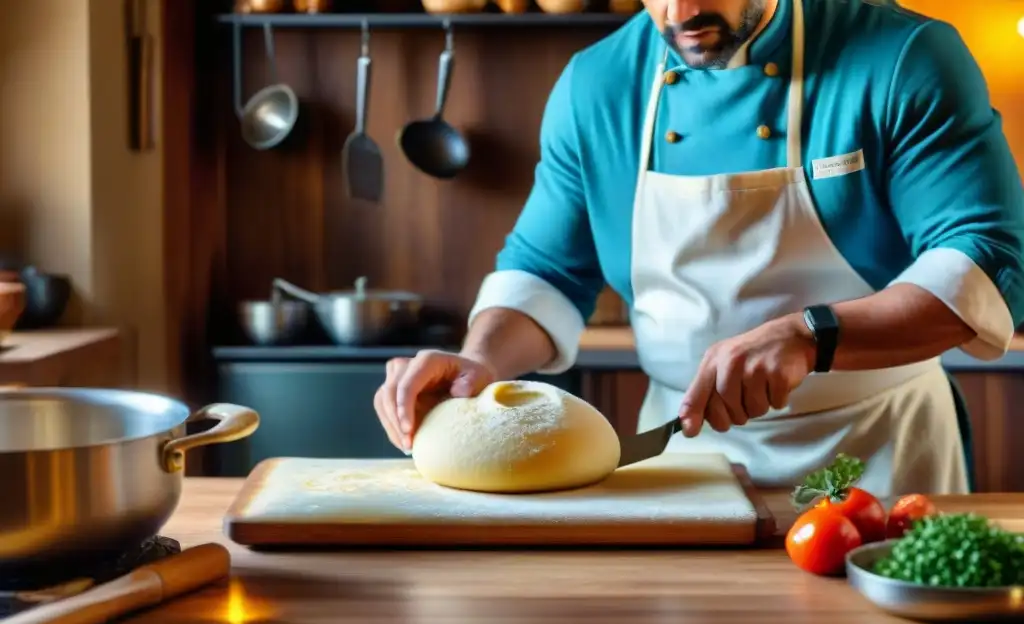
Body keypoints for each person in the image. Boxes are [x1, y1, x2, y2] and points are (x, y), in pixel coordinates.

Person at [375, 0, 1024, 496]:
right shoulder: (597, 85)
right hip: (687, 464)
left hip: (883, 453)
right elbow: (545, 273)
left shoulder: (903, 56)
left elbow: (989, 259)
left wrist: (810, 335)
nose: (682, 13)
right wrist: (479, 361)